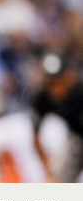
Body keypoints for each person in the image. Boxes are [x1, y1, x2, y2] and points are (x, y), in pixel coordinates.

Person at [32, 53, 83, 183]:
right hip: (75, 140)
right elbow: (35, 136)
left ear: (68, 77)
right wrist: (48, 168)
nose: (55, 86)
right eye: (50, 81)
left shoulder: (79, 91)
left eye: (58, 80)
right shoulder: (43, 98)